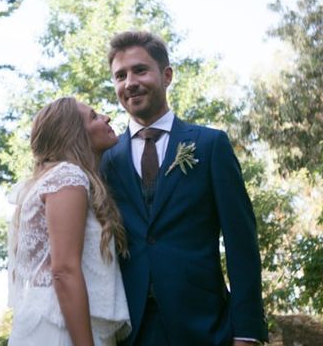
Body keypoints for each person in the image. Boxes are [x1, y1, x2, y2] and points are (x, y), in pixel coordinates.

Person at [101, 31, 268, 346]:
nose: (129, 83)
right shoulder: (106, 159)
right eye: (120, 76)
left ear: (166, 76)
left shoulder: (210, 145)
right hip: (127, 331)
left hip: (205, 326)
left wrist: (247, 331)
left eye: (140, 70)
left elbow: (241, 243)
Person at [7, 97, 132, 346]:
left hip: (66, 324)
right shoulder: (67, 177)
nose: (106, 118)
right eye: (94, 116)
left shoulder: (57, 179)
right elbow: (64, 270)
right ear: (74, 134)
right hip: (62, 330)